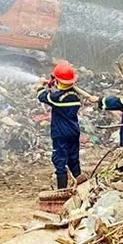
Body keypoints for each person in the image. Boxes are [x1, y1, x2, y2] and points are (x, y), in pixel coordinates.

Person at [37, 60, 88, 190]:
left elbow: (42, 96)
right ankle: (81, 185)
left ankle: (62, 190)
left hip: (60, 134)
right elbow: (59, 93)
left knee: (60, 161)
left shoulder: (57, 98)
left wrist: (40, 86)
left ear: (58, 80)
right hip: (73, 132)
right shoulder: (75, 96)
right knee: (73, 159)